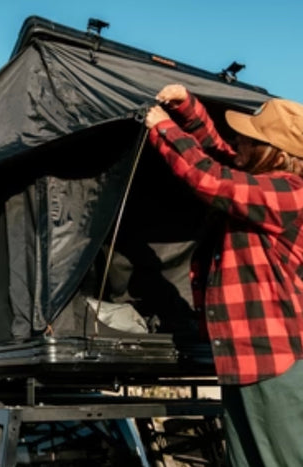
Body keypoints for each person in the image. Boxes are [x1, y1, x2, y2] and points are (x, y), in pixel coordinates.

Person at [145, 84, 303, 466]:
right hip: (247, 359)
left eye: (250, 139)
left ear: (276, 154)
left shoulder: (290, 192)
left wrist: (164, 129)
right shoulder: (268, 180)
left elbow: (212, 178)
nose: (239, 142)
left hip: (275, 360)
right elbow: (222, 155)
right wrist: (186, 108)